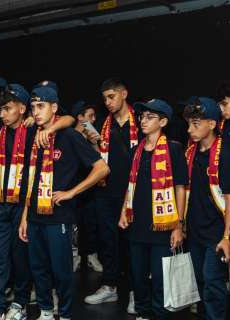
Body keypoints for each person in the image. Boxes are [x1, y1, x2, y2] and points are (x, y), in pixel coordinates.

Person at [18, 86, 109, 320]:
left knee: (61, 271)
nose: (36, 112)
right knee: (38, 269)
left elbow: (102, 169)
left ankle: (66, 314)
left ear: (54, 108)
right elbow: (31, 180)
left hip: (59, 215)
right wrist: (25, 217)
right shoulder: (35, 136)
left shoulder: (69, 136)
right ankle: (47, 311)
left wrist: (71, 192)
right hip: (36, 213)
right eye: (33, 107)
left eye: (41, 107)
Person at [0, 84, 75, 320]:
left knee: (22, 259)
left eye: (7, 109)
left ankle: (21, 303)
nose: (2, 114)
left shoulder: (36, 130)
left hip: (25, 205)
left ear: (22, 109)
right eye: (0, 110)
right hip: (1, 202)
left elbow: (69, 119)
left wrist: (50, 125)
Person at [118, 99, 187, 320]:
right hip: (137, 225)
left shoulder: (174, 149)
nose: (143, 121)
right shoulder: (137, 149)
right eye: (142, 117)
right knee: (138, 277)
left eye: (150, 117)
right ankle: (143, 313)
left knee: (160, 279)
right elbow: (131, 185)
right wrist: (123, 211)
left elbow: (180, 188)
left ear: (163, 121)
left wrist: (178, 225)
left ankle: (160, 314)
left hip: (163, 226)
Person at [84, 78, 140, 314]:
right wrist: (94, 144)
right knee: (108, 241)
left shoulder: (141, 121)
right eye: (105, 98)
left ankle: (137, 293)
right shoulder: (105, 125)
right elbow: (101, 161)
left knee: (133, 244)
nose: (107, 102)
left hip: (133, 192)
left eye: (112, 97)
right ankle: (110, 286)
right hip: (106, 191)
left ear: (124, 94)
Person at [183, 97, 230, 320]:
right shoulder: (190, 153)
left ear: (212, 124)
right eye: (189, 124)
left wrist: (227, 236)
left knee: (212, 282)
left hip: (216, 232)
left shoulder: (226, 153)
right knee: (200, 281)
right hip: (195, 230)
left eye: (196, 124)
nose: (189, 129)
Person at [71, 100, 103, 273]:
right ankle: (75, 257)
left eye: (94, 116)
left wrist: (94, 142)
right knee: (73, 225)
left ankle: (91, 256)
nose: (93, 119)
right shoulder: (68, 136)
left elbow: (101, 163)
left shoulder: (92, 136)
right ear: (80, 117)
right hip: (71, 188)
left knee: (91, 223)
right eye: (89, 116)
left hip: (90, 187)